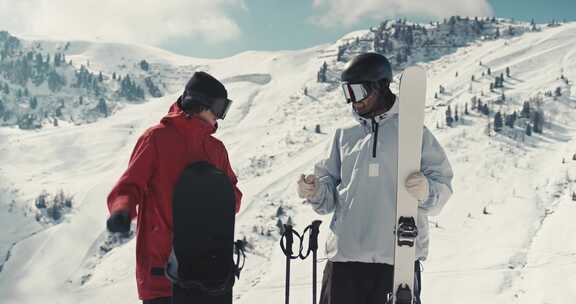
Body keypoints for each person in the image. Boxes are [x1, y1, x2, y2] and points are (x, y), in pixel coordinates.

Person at [297, 53, 453, 304]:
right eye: (346, 93)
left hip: (395, 261)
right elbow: (326, 201)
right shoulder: (344, 136)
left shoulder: (414, 133)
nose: (352, 101)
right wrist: (314, 190)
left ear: (380, 86)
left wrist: (426, 191)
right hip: (344, 261)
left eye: (357, 91)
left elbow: (442, 189)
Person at [106, 71, 243, 304]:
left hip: (208, 273)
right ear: (199, 104)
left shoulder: (216, 149)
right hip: (162, 274)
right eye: (219, 108)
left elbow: (233, 197)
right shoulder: (156, 139)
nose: (220, 117)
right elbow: (130, 185)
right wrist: (122, 210)